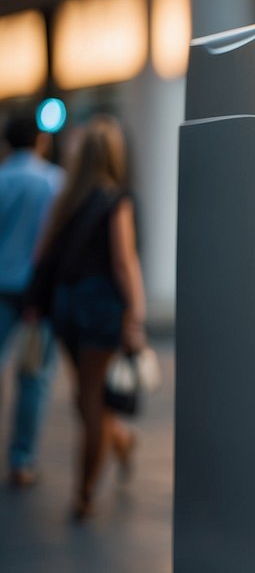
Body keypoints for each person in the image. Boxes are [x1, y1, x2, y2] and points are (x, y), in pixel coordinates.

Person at [33, 115, 146, 520]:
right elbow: (123, 261)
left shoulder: (66, 198)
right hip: (99, 307)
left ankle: (115, 443)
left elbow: (41, 254)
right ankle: (84, 493)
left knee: (85, 394)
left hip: (64, 306)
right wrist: (136, 312)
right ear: (114, 155)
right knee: (93, 398)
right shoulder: (116, 198)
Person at [0, 109, 65, 487]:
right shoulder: (56, 182)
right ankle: (22, 460)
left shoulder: (2, 179)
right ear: (39, 140)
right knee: (33, 378)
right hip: (38, 296)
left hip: (1, 287)